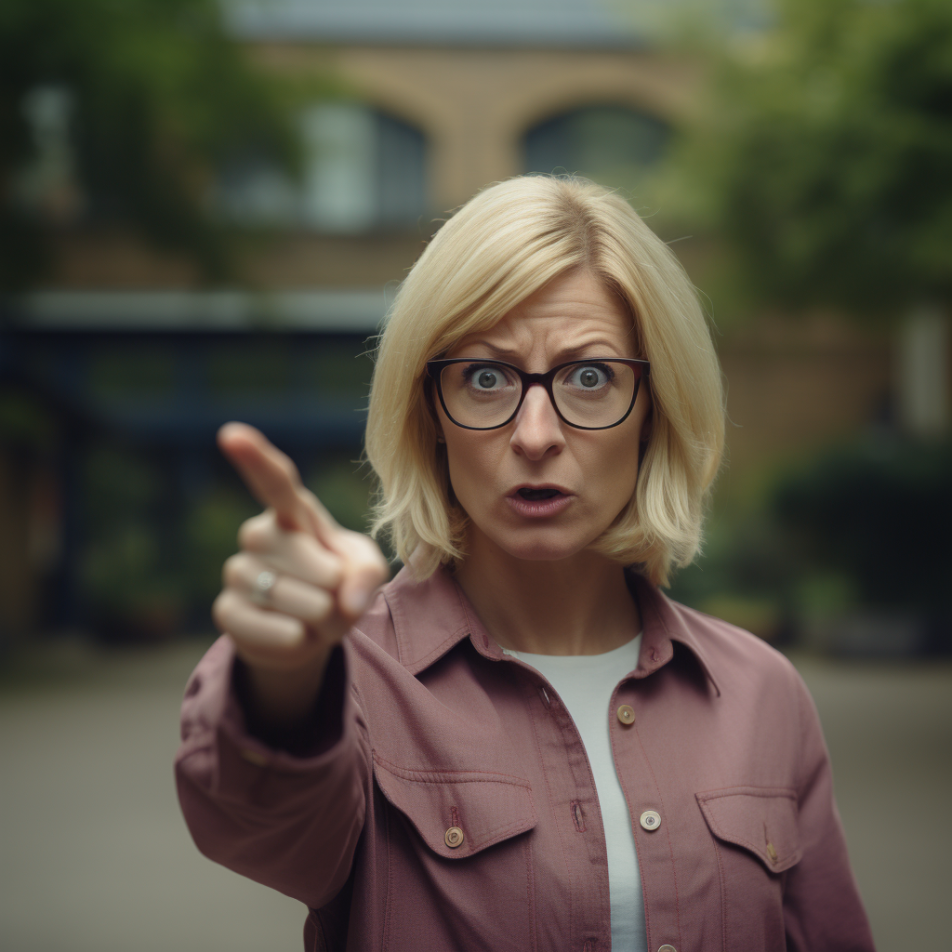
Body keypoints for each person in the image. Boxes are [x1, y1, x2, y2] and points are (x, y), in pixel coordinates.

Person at [175, 176, 875, 952]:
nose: (536, 433)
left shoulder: (760, 694)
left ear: (654, 411)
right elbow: (253, 824)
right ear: (428, 415)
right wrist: (282, 674)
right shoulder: (357, 682)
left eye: (589, 376)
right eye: (484, 377)